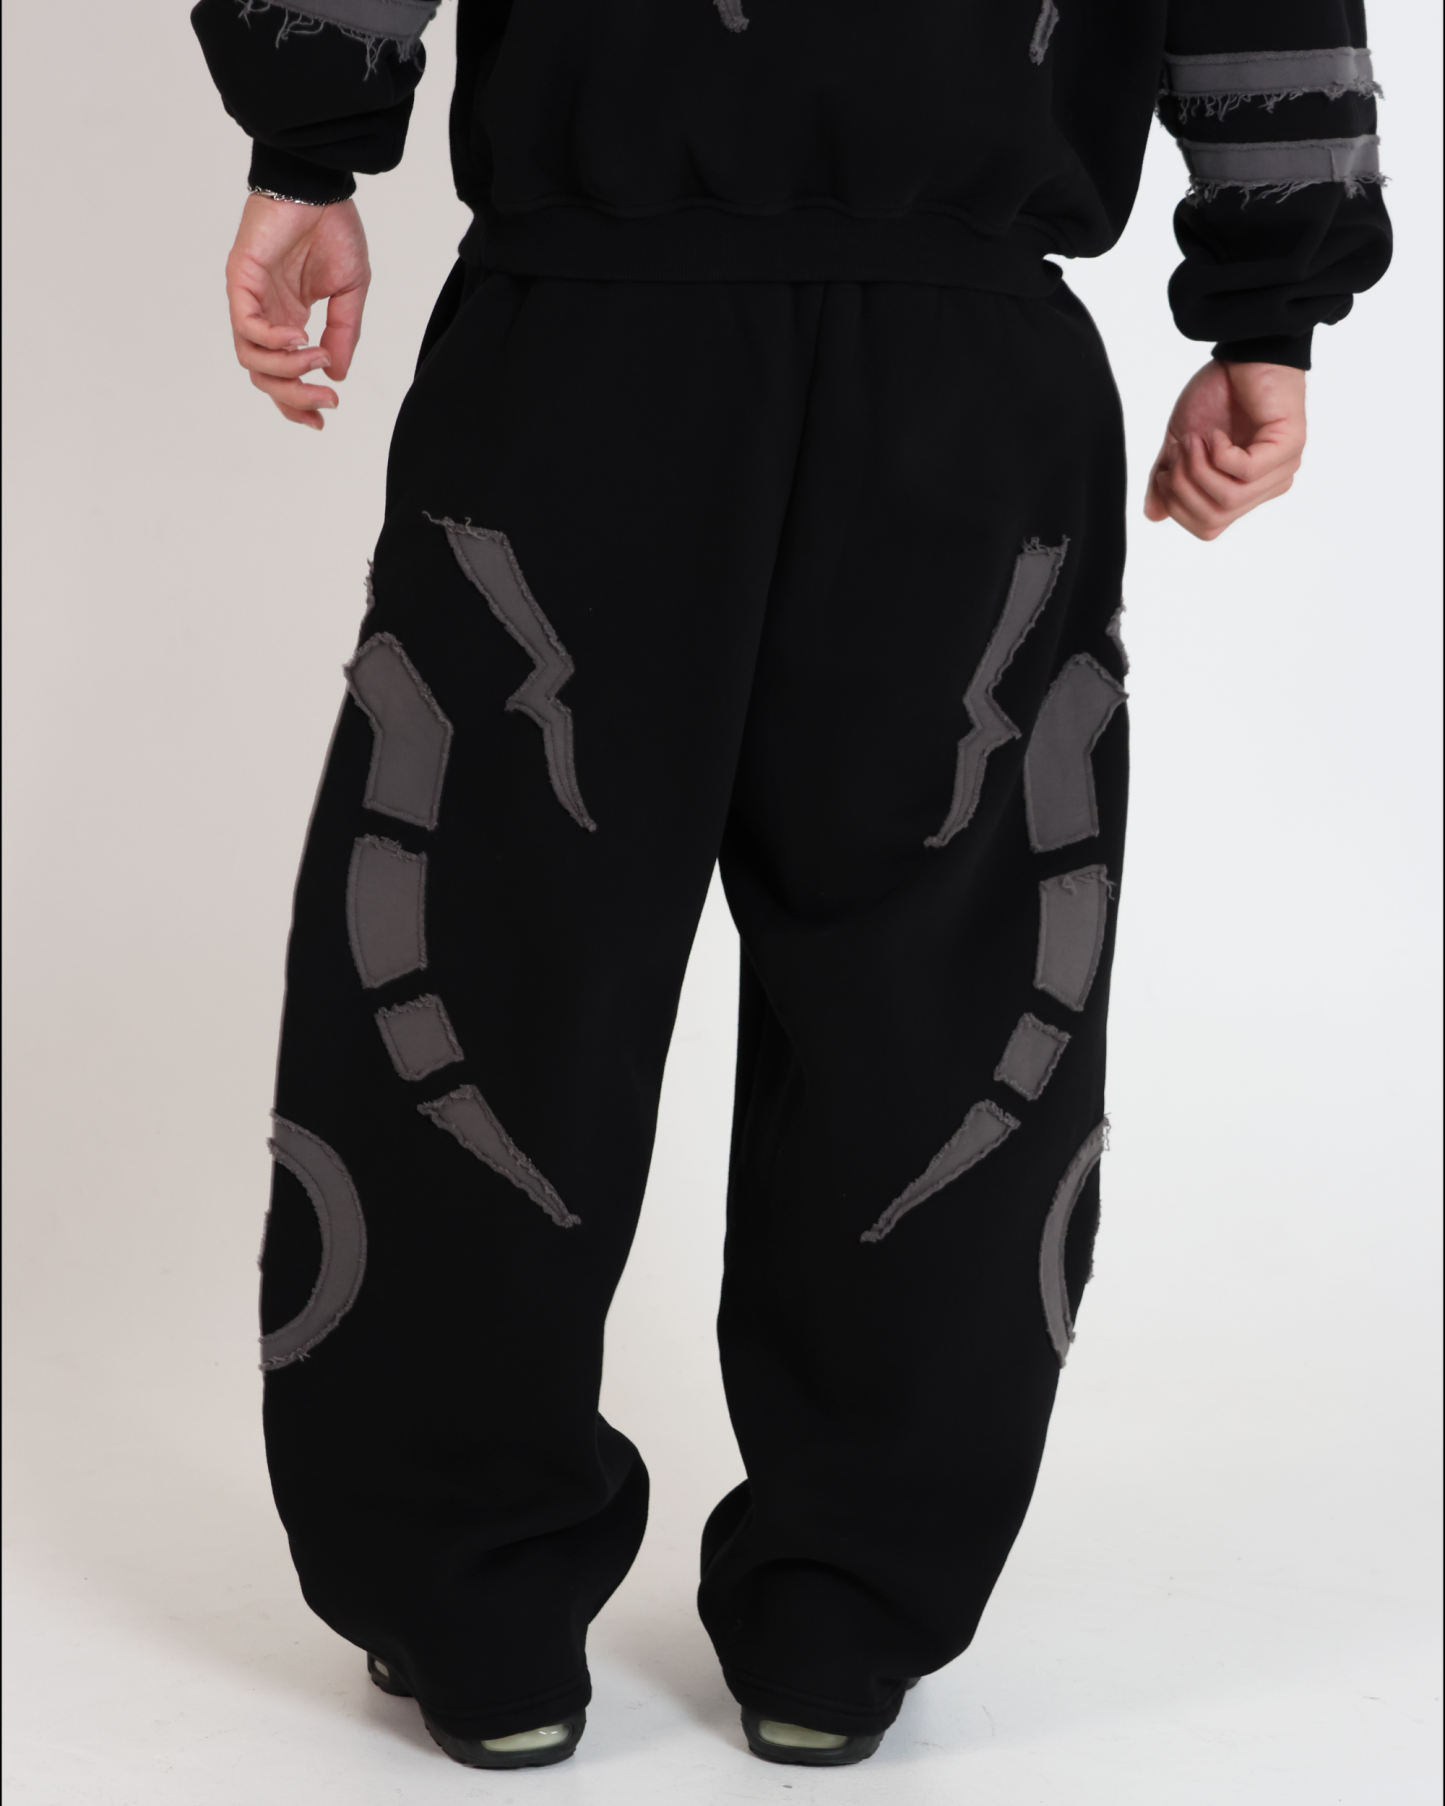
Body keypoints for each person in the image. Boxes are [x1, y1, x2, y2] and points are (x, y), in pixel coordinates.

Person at [192, 0, 1391, 1771]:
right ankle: (846, 1612)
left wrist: (309, 145)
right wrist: (1268, 303)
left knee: (488, 956)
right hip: (969, 372)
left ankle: (472, 1607)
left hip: (581, 342)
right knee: (949, 998)